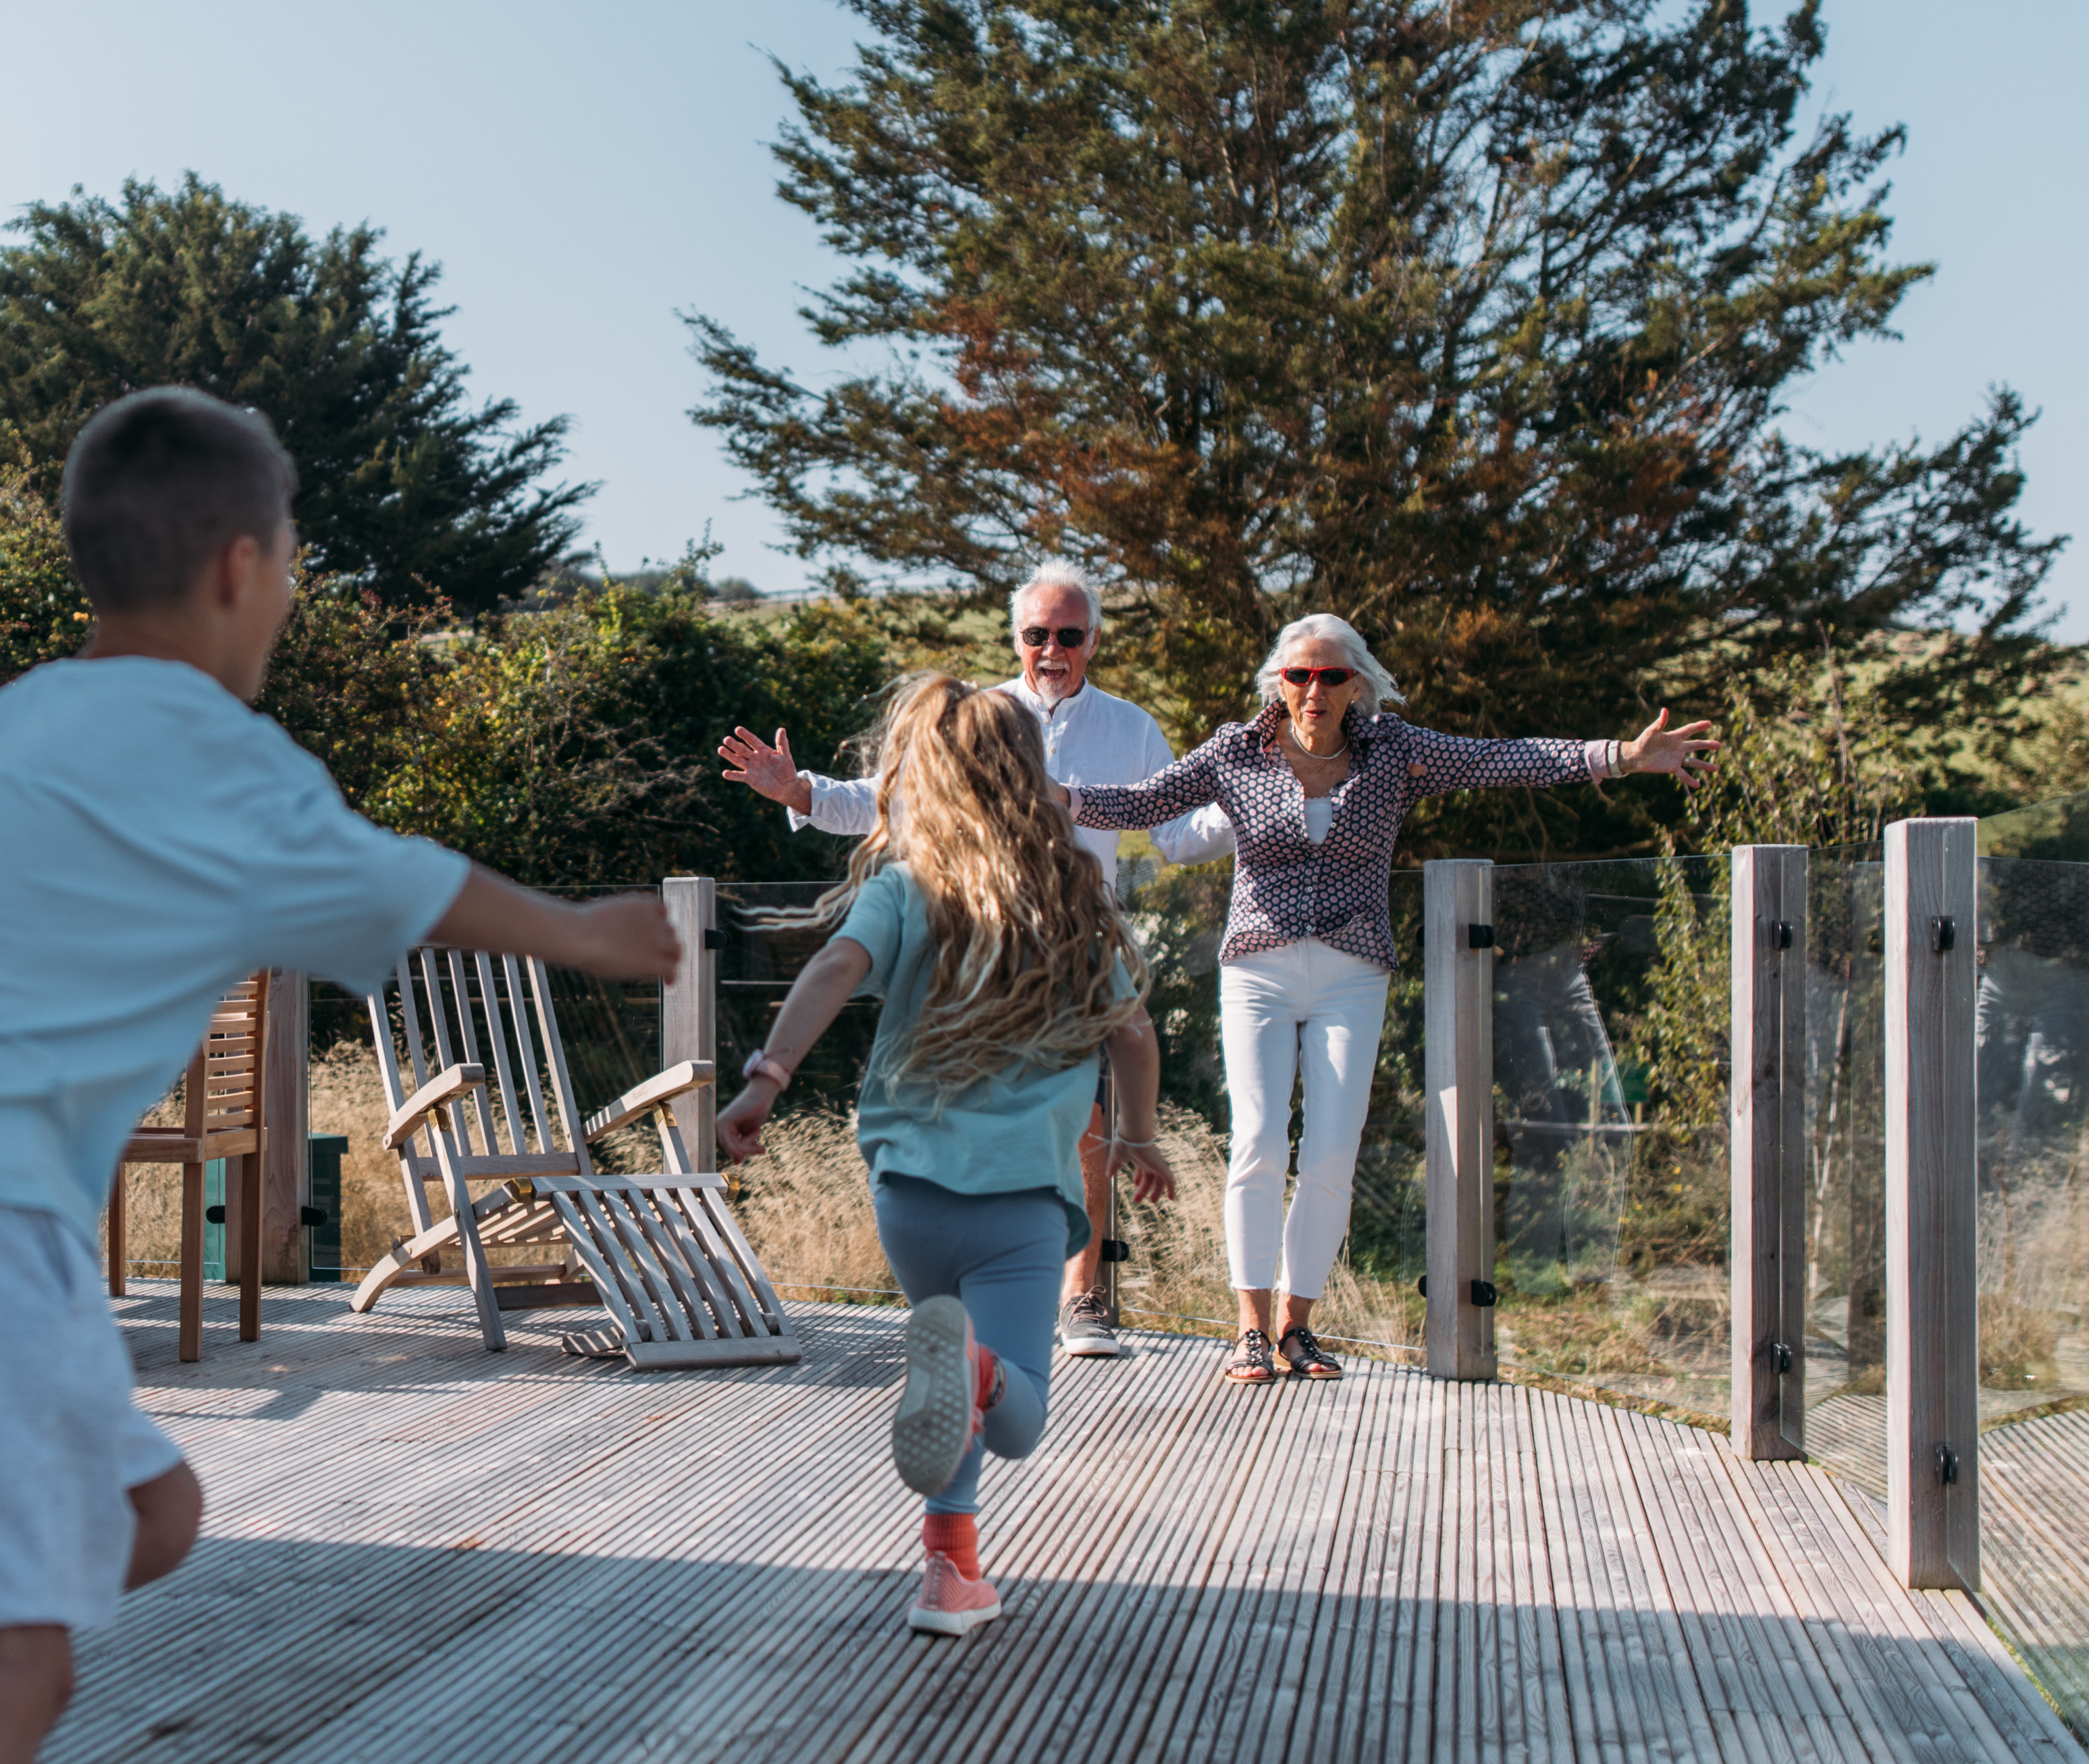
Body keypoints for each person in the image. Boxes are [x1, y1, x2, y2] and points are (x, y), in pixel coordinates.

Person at [0, 388, 679, 1764]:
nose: (290, 596)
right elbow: (413, 883)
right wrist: (589, 932)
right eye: (293, 564)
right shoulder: (220, 760)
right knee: (12, 1670)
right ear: (241, 566)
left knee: (147, 1513)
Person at [1067, 614, 1714, 1385]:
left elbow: (1504, 761)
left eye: (1330, 676)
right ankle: (1244, 1325)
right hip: (1257, 970)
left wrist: (1619, 757)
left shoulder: (1394, 750)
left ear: (1356, 686)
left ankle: (1294, 1327)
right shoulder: (1234, 751)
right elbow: (1140, 804)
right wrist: (1035, 791)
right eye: (1299, 675)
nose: (1314, 689)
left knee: (1333, 1149)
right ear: (1278, 682)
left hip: (1352, 970)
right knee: (1258, 1145)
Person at [716, 672, 1175, 1636]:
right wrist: (1138, 1135)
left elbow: (835, 964)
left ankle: (949, 1575)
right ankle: (979, 1376)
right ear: (1029, 774)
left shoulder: (902, 888)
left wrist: (766, 1079)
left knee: (949, 1374)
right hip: (1016, 1202)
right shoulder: (1072, 902)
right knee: (1014, 1406)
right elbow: (1132, 1035)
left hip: (907, 1193)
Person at [718, 560, 1229, 1358]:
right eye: (1037, 635)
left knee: (1081, 1122)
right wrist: (799, 793)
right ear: (1016, 640)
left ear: (1091, 641)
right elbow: (888, 800)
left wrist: (1253, 816)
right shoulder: (980, 717)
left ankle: (1080, 1294)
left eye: (1067, 635)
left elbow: (1171, 831)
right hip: (970, 940)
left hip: (1071, 938)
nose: (1051, 648)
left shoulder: (1129, 728)